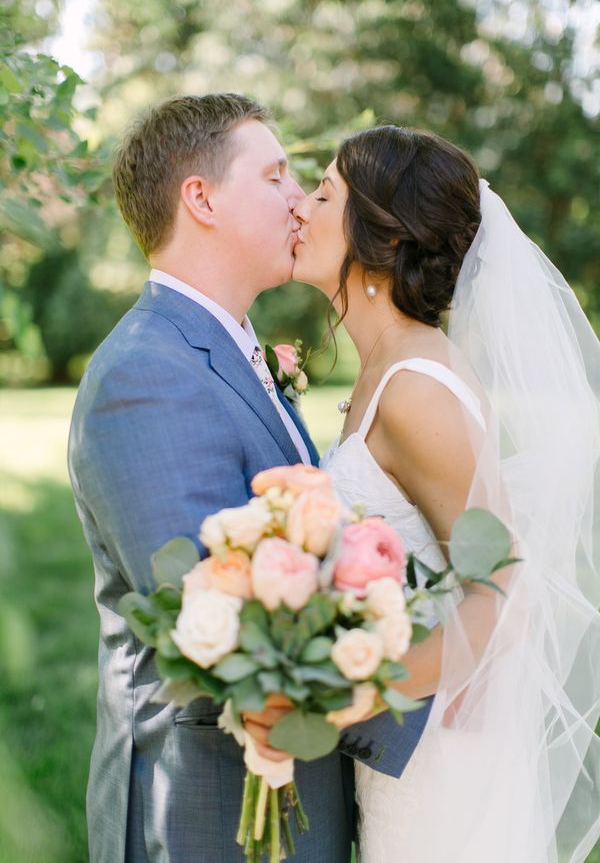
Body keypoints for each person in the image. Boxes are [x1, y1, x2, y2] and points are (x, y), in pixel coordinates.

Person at [68, 94, 429, 863]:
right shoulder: (147, 373)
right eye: (275, 176)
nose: (301, 200)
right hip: (212, 817)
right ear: (200, 199)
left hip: (288, 799)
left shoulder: (227, 348)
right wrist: (434, 704)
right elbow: (219, 629)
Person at [290, 125, 600, 862]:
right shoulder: (386, 371)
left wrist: (357, 690)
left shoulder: (417, 390)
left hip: (441, 771)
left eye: (324, 192)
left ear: (383, 241)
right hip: (405, 750)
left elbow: (506, 591)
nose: (300, 207)